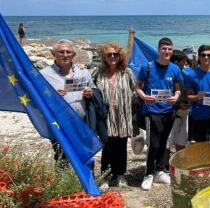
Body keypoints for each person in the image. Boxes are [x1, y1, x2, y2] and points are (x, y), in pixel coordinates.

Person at [135, 37, 183, 191]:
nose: (167, 51)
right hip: (152, 111)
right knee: (153, 144)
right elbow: (137, 86)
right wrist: (144, 97)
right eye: (164, 49)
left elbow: (177, 89)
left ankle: (159, 171)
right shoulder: (147, 67)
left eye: (169, 49)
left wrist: (175, 97)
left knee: (164, 143)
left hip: (168, 111)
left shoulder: (175, 69)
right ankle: (148, 174)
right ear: (158, 50)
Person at [40, 39, 95, 168]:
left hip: (82, 122)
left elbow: (93, 88)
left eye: (68, 52)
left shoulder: (84, 72)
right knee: (61, 155)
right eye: (61, 52)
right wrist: (52, 96)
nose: (65, 55)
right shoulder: (44, 74)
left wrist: (90, 92)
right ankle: (65, 186)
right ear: (53, 54)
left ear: (73, 55)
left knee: (86, 153)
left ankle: (87, 184)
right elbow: (38, 98)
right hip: (59, 123)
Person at [92, 42, 136, 188]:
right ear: (104, 57)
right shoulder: (98, 72)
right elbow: (87, 84)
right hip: (105, 116)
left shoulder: (127, 72)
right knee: (107, 146)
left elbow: (135, 90)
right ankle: (105, 176)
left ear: (120, 56)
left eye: (115, 54)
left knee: (121, 146)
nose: (112, 57)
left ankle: (120, 175)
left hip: (122, 115)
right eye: (109, 54)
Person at [185, 45, 210, 142]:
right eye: (203, 55)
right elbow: (187, 96)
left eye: (208, 55)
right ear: (199, 57)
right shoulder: (192, 75)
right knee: (201, 146)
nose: (206, 57)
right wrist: (197, 97)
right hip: (199, 116)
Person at [164, 50, 191, 168]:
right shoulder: (167, 76)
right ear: (176, 62)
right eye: (183, 62)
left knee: (182, 141)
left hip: (184, 114)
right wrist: (178, 105)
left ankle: (179, 165)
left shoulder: (184, 75)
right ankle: (165, 165)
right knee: (167, 142)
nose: (184, 65)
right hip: (171, 114)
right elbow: (165, 96)